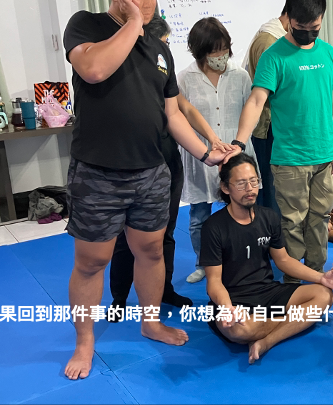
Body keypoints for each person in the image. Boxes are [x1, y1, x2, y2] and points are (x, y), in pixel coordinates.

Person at [62, 0, 231, 380]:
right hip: (97, 172)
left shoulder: (159, 49)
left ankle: (150, 322)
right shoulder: (87, 24)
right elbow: (93, 69)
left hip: (152, 172)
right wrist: (134, 21)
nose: (148, 3)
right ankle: (84, 342)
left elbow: (171, 114)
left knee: (152, 251)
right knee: (91, 262)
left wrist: (207, 154)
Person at [108, 9, 228, 318]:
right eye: (161, 41)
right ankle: (119, 299)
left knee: (166, 232)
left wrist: (211, 141)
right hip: (130, 165)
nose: (164, 48)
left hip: (167, 161)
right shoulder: (122, 71)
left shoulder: (164, 71)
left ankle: (164, 290)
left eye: (166, 42)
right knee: (125, 237)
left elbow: (184, 110)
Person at [231, 0, 333, 284]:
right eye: (300, 27)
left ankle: (317, 277)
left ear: (322, 19)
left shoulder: (329, 53)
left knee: (320, 219)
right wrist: (238, 143)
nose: (308, 33)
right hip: (290, 158)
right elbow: (256, 101)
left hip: (325, 155)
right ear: (288, 19)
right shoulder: (273, 56)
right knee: (292, 223)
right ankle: (293, 282)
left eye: (314, 27)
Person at [201, 154, 333, 364]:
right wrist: (227, 308)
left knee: (325, 295)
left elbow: (283, 260)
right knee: (240, 331)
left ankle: (267, 341)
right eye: (241, 184)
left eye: (254, 181)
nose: (250, 189)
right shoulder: (213, 227)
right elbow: (214, 282)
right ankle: (293, 322)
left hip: (267, 291)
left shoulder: (268, 217)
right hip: (234, 299)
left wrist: (320, 278)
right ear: (226, 188)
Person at [177, 17, 257, 284]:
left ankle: (242, 260)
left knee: (242, 210)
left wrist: (238, 143)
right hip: (201, 154)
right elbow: (183, 116)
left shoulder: (240, 75)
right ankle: (204, 263)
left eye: (224, 49)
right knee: (199, 216)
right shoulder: (185, 78)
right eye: (214, 51)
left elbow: (250, 110)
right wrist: (209, 144)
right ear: (200, 51)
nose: (221, 55)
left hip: (236, 153)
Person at [242, 2, 289, 214]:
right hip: (267, 124)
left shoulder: (277, 37)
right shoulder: (269, 41)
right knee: (268, 186)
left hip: (276, 123)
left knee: (275, 184)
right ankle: (268, 229)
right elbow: (266, 92)